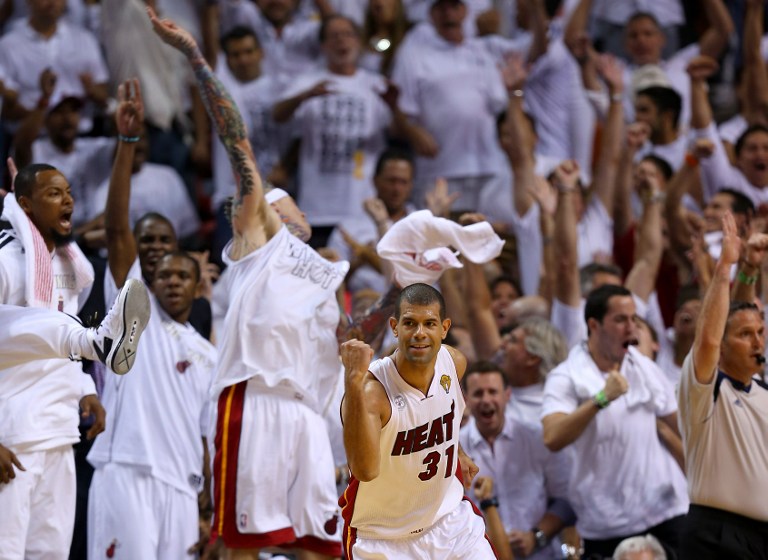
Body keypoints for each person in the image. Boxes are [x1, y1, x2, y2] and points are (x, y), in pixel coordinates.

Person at [148, 9, 397, 558]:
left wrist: (404, 285)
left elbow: (352, 335)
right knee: (244, 543)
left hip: (306, 411)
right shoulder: (260, 248)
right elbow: (238, 144)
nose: (283, 211)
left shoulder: (322, 270)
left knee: (319, 545)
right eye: (269, 206)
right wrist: (195, 58)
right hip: (253, 395)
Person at [85, 79, 218, 560]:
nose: (174, 280)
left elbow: (209, 434)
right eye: (163, 273)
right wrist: (126, 144)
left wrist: (209, 503)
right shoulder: (134, 317)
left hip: (183, 489)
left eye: (185, 273)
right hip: (128, 472)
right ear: (149, 280)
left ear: (199, 281)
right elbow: (119, 228)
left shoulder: (208, 352)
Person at [338, 283, 496, 559]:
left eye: (430, 323)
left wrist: (457, 449)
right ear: (394, 327)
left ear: (444, 328)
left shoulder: (454, 362)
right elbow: (364, 470)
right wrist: (352, 380)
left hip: (449, 524)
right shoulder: (372, 393)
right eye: (410, 323)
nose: (420, 333)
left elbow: (437, 412)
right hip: (385, 538)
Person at [541, 284, 688, 559]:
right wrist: (600, 399)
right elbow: (552, 437)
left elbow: (681, 425)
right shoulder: (567, 376)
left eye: (633, 319)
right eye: (620, 320)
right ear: (594, 325)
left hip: (666, 510)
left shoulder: (644, 367)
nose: (631, 328)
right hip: (607, 522)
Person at [677, 211, 768, 559]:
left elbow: (739, 315)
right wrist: (724, 268)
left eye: (761, 333)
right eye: (747, 336)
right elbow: (711, 338)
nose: (757, 342)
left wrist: (749, 270)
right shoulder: (705, 389)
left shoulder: (761, 390)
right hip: (716, 537)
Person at [459, 361, 573, 560]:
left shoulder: (537, 438)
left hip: (542, 554)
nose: (486, 400)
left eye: (493, 392)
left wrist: (536, 536)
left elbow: (566, 501)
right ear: (466, 399)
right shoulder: (455, 448)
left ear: (507, 395)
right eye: (478, 394)